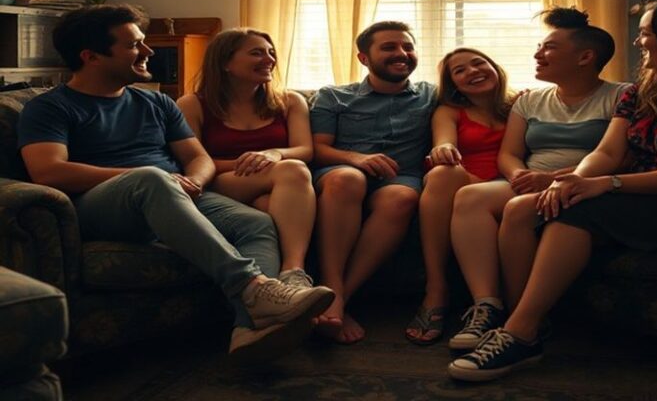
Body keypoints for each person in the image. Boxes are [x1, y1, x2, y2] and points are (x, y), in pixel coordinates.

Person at [448, 0, 657, 382]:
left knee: (577, 211)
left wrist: (605, 184)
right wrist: (577, 179)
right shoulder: (642, 90)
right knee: (522, 209)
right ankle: (526, 321)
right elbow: (608, 150)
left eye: (646, 33)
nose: (639, 41)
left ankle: (520, 332)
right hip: (637, 191)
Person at [17, 5, 334, 364]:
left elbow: (198, 158)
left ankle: (251, 328)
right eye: (135, 45)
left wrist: (194, 183)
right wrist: (155, 180)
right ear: (91, 56)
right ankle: (253, 287)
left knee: (256, 224)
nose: (148, 51)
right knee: (150, 178)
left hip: (171, 194)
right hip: (102, 207)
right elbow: (49, 171)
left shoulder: (155, 102)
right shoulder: (50, 107)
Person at [448, 7, 628, 353]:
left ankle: (523, 320)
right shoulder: (529, 100)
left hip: (584, 183)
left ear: (585, 57)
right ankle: (488, 305)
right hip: (529, 181)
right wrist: (518, 175)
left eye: (548, 48)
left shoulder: (620, 96)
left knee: (518, 208)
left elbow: (624, 155)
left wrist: (557, 178)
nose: (537, 54)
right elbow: (509, 153)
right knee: (470, 197)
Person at [310, 21, 435, 344]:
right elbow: (318, 149)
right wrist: (356, 158)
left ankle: (338, 298)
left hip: (400, 177)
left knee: (401, 199)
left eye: (407, 46)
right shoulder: (334, 96)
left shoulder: (431, 95)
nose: (401, 54)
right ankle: (332, 285)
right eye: (389, 47)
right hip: (341, 171)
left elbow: (484, 96)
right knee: (348, 180)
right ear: (364, 58)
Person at [177, 28, 317, 289]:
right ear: (225, 62)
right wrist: (252, 163)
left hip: (276, 184)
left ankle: (276, 288)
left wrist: (273, 154)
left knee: (267, 205)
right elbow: (191, 160)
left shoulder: (290, 101)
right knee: (293, 170)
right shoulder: (192, 105)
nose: (269, 59)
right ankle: (294, 271)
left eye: (271, 53)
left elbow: (304, 149)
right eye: (257, 53)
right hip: (219, 182)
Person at [404, 47, 515, 345]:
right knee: (443, 173)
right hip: (463, 185)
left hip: (508, 187)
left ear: (495, 67)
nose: (472, 71)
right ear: (453, 84)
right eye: (460, 70)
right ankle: (436, 289)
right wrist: (442, 148)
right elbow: (444, 142)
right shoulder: (449, 111)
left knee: (457, 184)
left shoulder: (521, 104)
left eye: (479, 63)